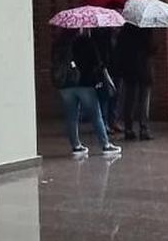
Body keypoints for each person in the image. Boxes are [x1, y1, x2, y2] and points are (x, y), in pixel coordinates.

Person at [52, 29, 121, 157]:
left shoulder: (59, 43)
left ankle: (76, 146)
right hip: (85, 83)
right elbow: (97, 63)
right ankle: (105, 144)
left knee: (71, 117)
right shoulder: (86, 41)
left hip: (65, 85)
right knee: (96, 115)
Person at [113, 23, 156, 140]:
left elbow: (119, 50)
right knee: (143, 101)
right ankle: (143, 129)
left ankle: (129, 129)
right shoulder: (146, 29)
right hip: (144, 70)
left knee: (129, 100)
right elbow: (151, 48)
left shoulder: (124, 30)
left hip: (129, 70)